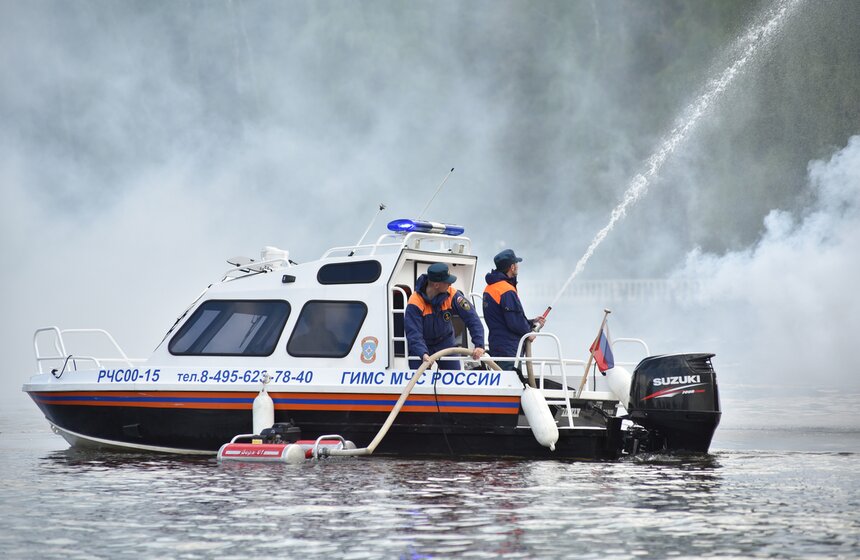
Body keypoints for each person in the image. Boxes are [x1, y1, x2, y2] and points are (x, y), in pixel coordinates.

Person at [405, 262, 486, 370]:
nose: (450, 284)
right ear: (436, 285)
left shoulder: (452, 294)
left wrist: (479, 345)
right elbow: (414, 333)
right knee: (418, 378)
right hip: (421, 344)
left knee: (454, 376)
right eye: (447, 282)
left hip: (446, 342)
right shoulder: (415, 302)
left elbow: (472, 318)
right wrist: (423, 353)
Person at [483, 249, 545, 371]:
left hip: (497, 345)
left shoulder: (490, 287)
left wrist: (531, 322)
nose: (518, 266)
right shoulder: (506, 290)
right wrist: (529, 332)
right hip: (508, 349)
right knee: (510, 380)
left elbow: (504, 318)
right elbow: (514, 322)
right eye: (516, 263)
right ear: (512, 267)